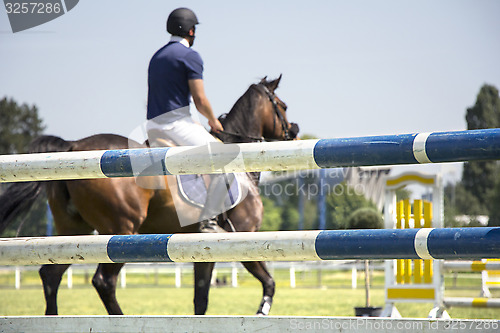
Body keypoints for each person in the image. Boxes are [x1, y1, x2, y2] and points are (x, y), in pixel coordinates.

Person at [146, 7, 229, 233]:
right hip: (174, 126)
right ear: (191, 31)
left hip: (153, 125)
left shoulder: (157, 56)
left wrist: (193, 121)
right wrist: (213, 121)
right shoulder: (190, 56)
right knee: (224, 159)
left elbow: (167, 98)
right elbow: (200, 99)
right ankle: (209, 222)